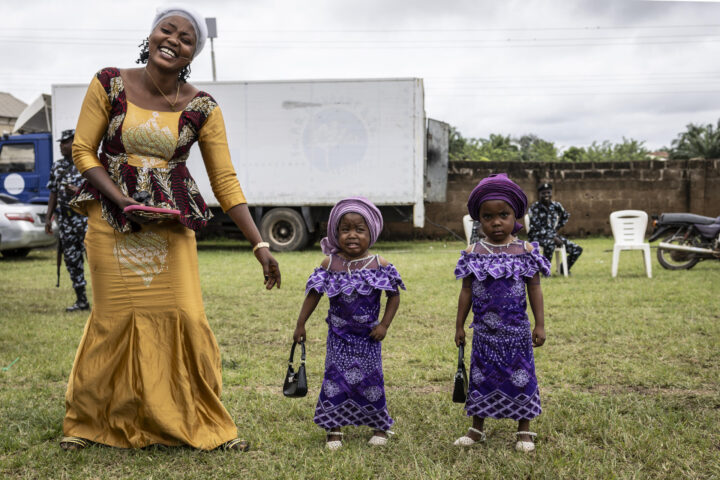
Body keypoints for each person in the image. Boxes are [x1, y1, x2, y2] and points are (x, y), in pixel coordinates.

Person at [60, 5, 281, 452]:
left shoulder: (202, 107)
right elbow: (84, 151)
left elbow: (225, 180)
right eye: (168, 29)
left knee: (185, 317)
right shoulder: (110, 82)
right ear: (152, 34)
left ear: (193, 52)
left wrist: (258, 243)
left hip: (171, 226)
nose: (174, 40)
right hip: (111, 223)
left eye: (186, 38)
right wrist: (121, 201)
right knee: (113, 321)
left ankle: (194, 421)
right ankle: (90, 423)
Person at [292, 197, 405, 450]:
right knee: (335, 380)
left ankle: (379, 427)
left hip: (369, 337)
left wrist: (384, 325)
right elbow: (313, 295)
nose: (352, 235)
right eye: (345, 229)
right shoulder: (330, 264)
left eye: (359, 229)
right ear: (336, 232)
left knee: (371, 381)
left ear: (371, 232)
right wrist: (301, 324)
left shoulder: (379, 265)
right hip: (339, 337)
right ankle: (334, 429)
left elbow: (394, 296)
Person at [453, 173, 550, 453]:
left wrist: (540, 325)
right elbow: (466, 292)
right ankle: (476, 429)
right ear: (479, 219)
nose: (496, 222)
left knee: (522, 376)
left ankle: (524, 430)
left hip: (517, 331)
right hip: (484, 332)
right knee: (481, 377)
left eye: (503, 215)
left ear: (515, 215)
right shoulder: (473, 252)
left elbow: (535, 288)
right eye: (487, 216)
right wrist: (459, 326)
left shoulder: (526, 251)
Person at [45, 129, 89, 312]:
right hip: (66, 222)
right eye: (61, 143)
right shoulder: (57, 167)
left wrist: (78, 192)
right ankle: (82, 301)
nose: (62, 146)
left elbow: (98, 192)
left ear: (75, 142)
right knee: (72, 261)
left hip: (86, 220)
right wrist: (48, 218)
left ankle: (106, 302)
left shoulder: (87, 164)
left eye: (65, 142)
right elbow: (53, 193)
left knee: (96, 261)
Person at [527, 183, 583, 274]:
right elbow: (536, 227)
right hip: (537, 237)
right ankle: (545, 271)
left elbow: (565, 216)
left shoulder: (556, 205)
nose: (546, 195)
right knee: (550, 243)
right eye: (543, 193)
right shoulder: (534, 208)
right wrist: (552, 236)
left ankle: (562, 269)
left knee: (577, 249)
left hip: (552, 236)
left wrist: (557, 228)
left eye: (548, 193)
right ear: (539, 194)